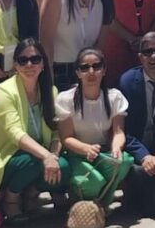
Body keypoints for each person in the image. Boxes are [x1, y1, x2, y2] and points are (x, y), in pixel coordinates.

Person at [0, 39, 70, 222]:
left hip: (37, 154)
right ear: (15, 65)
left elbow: (56, 133)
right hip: (6, 158)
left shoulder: (50, 91)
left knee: (65, 166)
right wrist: (46, 156)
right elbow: (15, 134)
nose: (30, 64)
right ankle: (11, 200)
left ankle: (30, 193)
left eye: (35, 59)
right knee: (33, 163)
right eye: (23, 60)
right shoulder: (3, 91)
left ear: (43, 63)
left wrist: (53, 155)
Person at [55, 48, 133, 206]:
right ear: (78, 73)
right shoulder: (66, 99)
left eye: (96, 66)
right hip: (76, 154)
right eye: (84, 68)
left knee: (123, 161)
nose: (91, 72)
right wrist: (86, 149)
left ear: (104, 70)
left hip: (103, 152)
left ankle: (100, 204)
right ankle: (82, 196)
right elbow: (66, 138)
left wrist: (116, 148)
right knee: (94, 181)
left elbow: (118, 132)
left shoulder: (115, 97)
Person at [39, 0, 114, 91]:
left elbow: (100, 44)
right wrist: (48, 82)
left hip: (90, 71)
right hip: (59, 71)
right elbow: (45, 40)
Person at [118, 32, 155, 218]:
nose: (153, 57)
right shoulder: (127, 82)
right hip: (140, 149)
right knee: (137, 174)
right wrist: (144, 157)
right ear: (140, 56)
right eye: (147, 51)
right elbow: (124, 131)